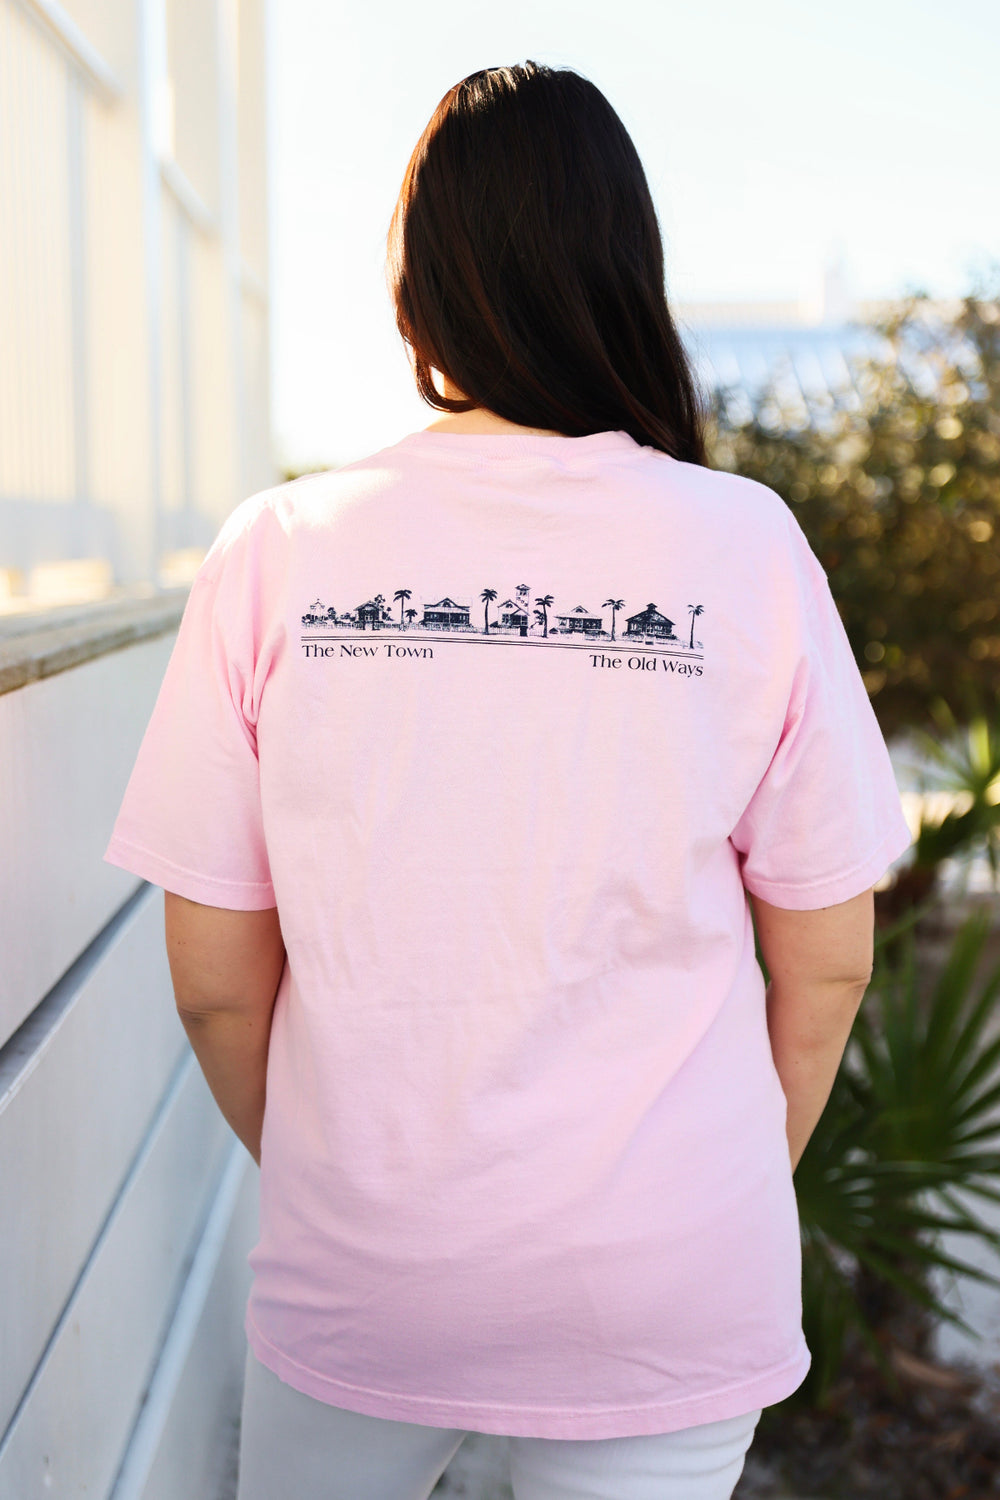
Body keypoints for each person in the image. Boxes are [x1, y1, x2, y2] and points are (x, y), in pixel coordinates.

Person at [103, 60, 912, 1500]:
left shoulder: (279, 549)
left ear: (414, 300)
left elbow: (218, 979)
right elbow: (830, 964)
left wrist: (347, 1187)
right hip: (665, 1288)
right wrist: (710, 1186)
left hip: (361, 1280)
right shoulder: (744, 547)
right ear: (626, 276)